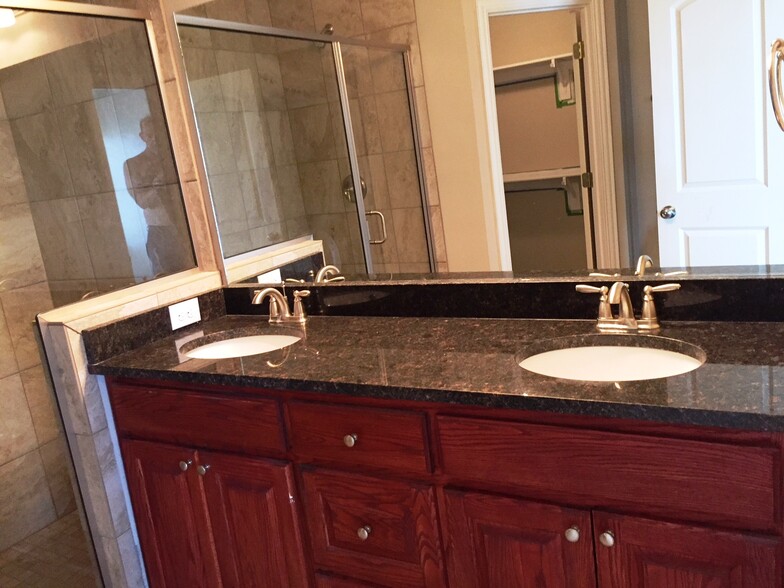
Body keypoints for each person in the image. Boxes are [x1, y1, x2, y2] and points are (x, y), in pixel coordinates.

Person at [123, 116, 191, 276]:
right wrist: (158, 185)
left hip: (187, 227)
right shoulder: (134, 164)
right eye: (149, 135)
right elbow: (142, 202)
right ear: (142, 136)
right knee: (167, 278)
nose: (154, 140)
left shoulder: (178, 157)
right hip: (160, 231)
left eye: (158, 135)